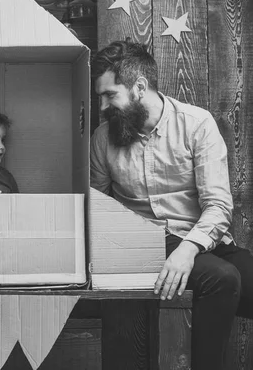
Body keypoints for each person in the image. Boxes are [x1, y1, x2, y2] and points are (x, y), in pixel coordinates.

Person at [89, 40, 253, 369]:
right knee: (222, 278)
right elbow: (96, 206)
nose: (103, 106)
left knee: (239, 275)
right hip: (144, 242)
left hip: (202, 238)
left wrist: (189, 248)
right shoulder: (103, 138)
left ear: (138, 87)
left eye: (110, 95)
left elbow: (218, 205)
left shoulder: (196, 124)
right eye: (100, 97)